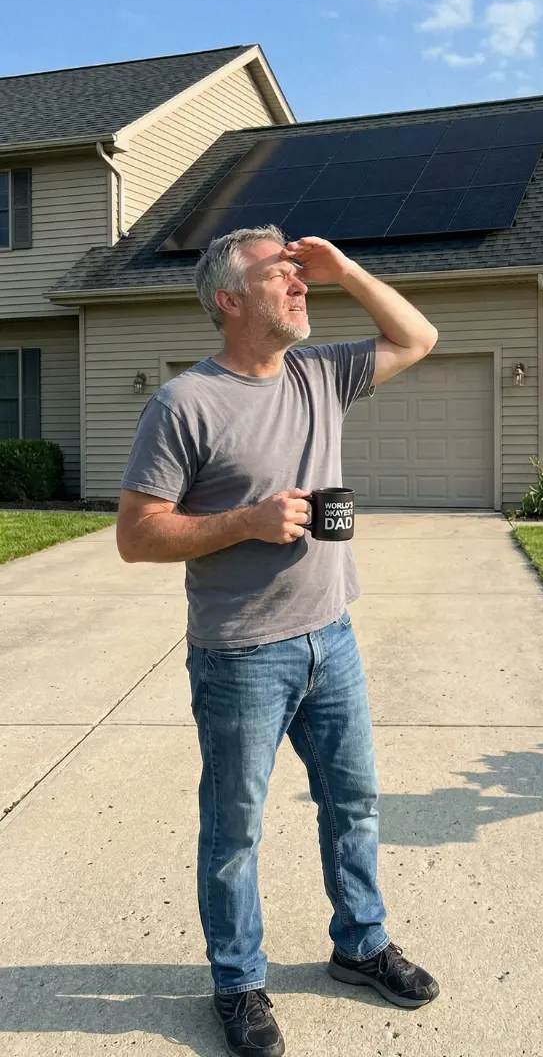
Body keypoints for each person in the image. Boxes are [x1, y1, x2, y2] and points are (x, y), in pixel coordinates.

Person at [116, 226, 440, 1057]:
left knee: (354, 803)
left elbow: (419, 338)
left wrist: (347, 269)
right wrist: (246, 523)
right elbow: (138, 535)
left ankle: (360, 944)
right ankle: (237, 983)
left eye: (302, 273)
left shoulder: (321, 373)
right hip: (240, 656)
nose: (300, 283)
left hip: (333, 635)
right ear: (230, 299)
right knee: (235, 831)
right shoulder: (185, 403)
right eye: (281, 273)